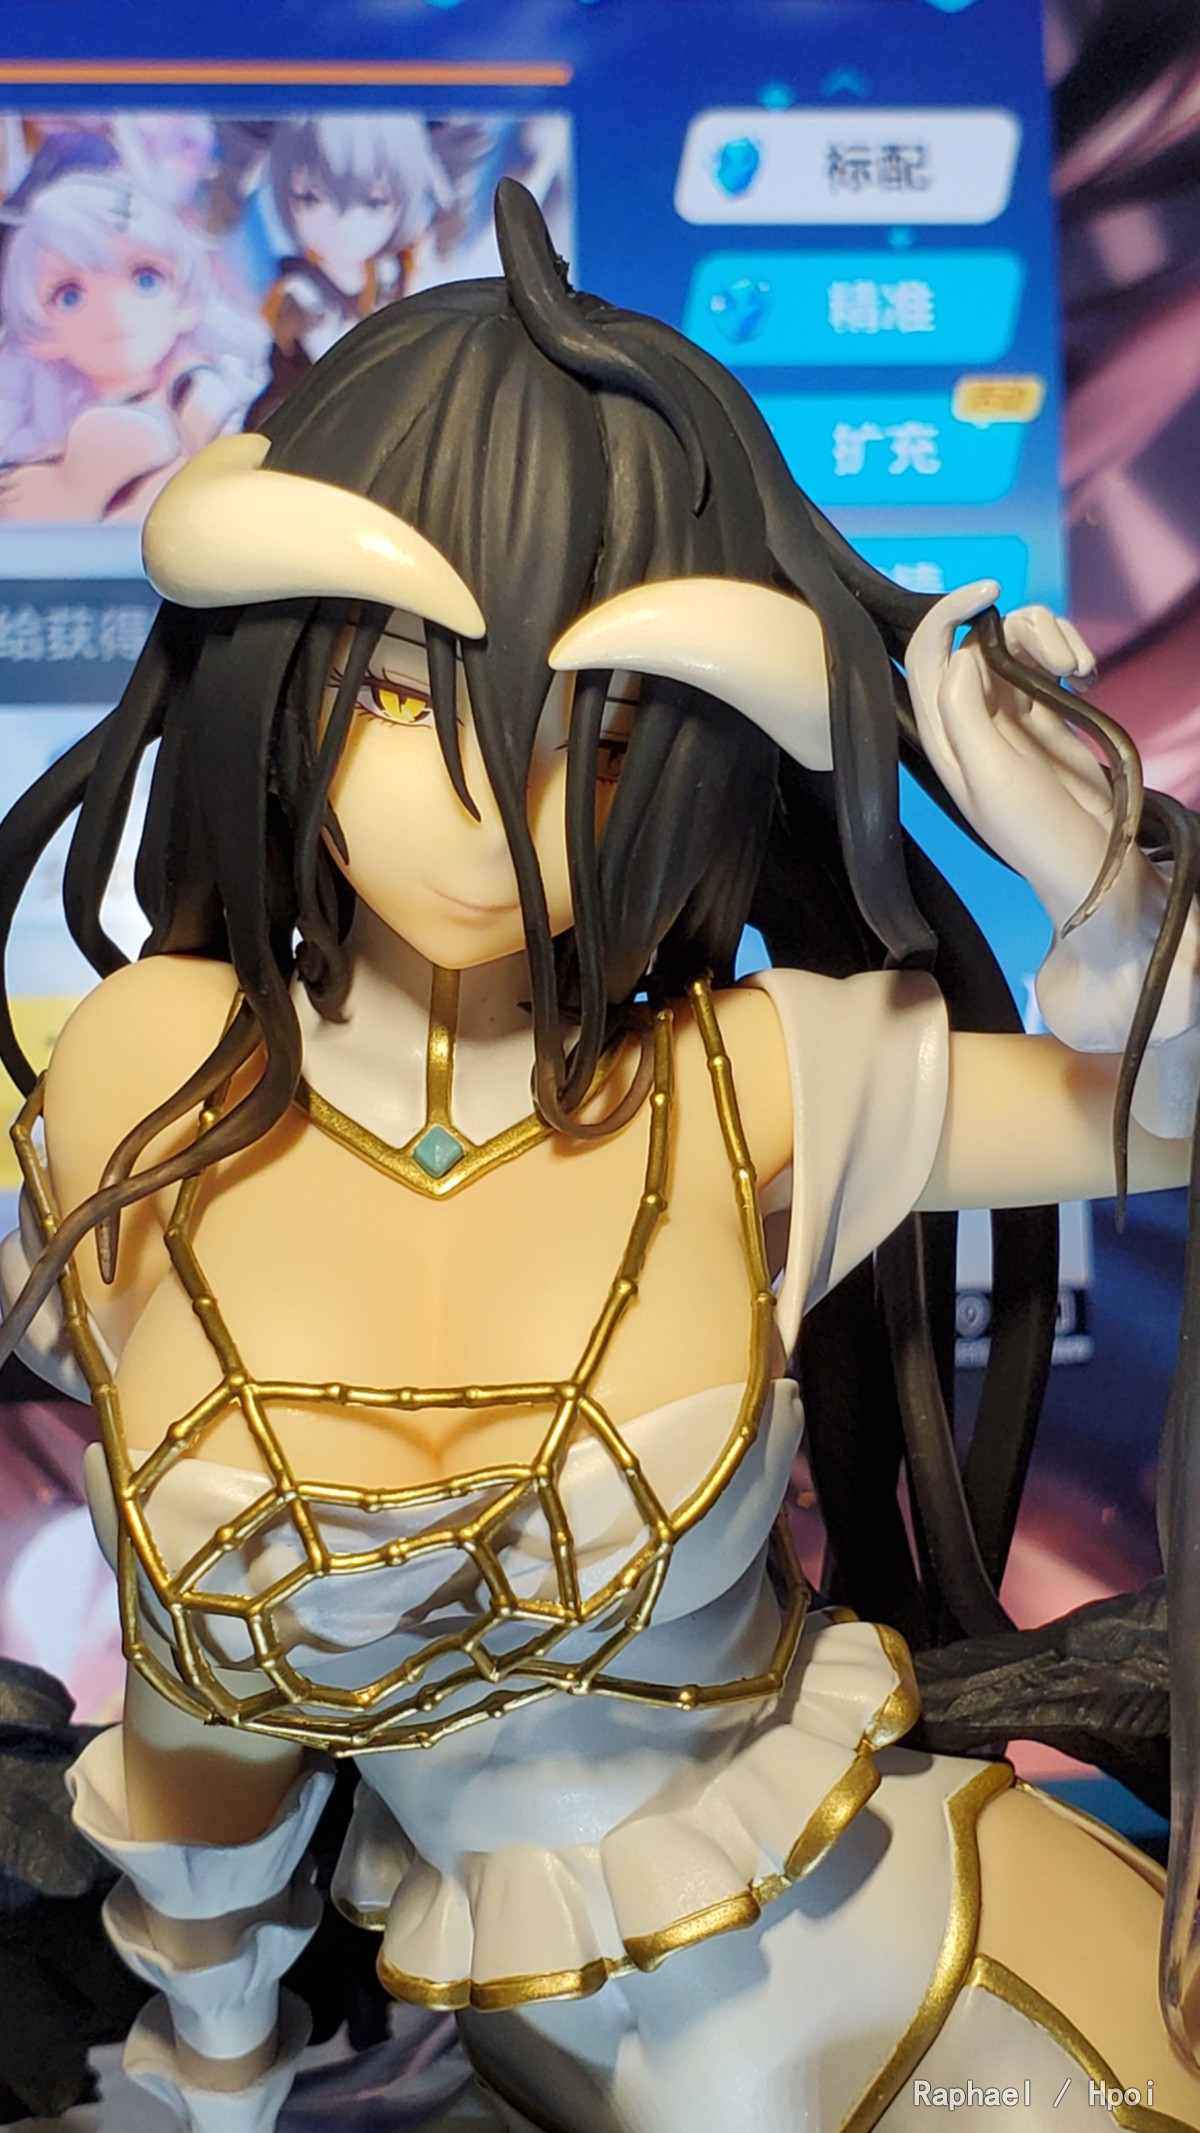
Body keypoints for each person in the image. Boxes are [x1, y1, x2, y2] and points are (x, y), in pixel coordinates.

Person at [1, 180, 1199, 2132]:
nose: (500, 805)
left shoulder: (747, 1081)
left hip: (929, 1970)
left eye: (610, 730)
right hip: (560, 2038)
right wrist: (206, 2058)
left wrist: (1092, 853)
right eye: (404, 688)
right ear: (281, 682)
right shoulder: (157, 1072)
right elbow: (194, 1699)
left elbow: (1170, 1100)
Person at [0, 158, 268, 523]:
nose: (113, 310)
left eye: (146, 278)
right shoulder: (49, 445)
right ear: (41, 334)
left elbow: (253, 482)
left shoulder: (194, 391)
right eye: (70, 295)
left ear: (185, 299)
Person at [247, 114, 449, 425]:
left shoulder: (395, 271)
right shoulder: (298, 291)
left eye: (374, 202)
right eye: (311, 198)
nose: (342, 225)